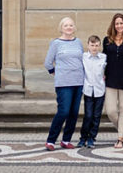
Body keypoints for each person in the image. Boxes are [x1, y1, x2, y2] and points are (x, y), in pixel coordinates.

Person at [43, 16, 85, 151]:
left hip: (78, 82)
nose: (69, 27)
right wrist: (54, 72)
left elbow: (82, 60)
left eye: (71, 25)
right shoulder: (56, 43)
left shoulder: (78, 42)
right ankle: (51, 140)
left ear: (74, 28)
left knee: (73, 113)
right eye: (66, 25)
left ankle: (66, 140)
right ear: (61, 28)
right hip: (63, 83)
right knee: (63, 111)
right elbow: (48, 62)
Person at [103, 13, 123, 148]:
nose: (119, 26)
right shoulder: (107, 40)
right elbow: (102, 59)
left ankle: (120, 137)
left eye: (121, 23)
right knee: (110, 111)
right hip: (110, 79)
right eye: (117, 23)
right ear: (113, 25)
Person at [78, 35, 107, 148]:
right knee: (88, 115)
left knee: (96, 115)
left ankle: (92, 137)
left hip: (100, 90)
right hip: (88, 89)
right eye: (92, 45)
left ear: (99, 46)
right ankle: (83, 137)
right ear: (88, 45)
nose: (94, 48)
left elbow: (108, 70)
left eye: (96, 45)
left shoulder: (104, 57)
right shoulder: (83, 57)